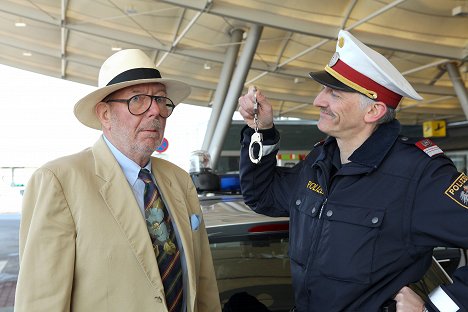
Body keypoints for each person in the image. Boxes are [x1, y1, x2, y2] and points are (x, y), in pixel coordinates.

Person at [238, 30, 468, 311]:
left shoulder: (419, 174)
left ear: (373, 111)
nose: (318, 101)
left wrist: (435, 309)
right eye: (324, 90)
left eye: (334, 93)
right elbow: (263, 196)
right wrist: (260, 131)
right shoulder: (320, 161)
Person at [15, 49, 221, 312]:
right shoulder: (59, 181)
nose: (155, 111)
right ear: (104, 114)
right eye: (138, 100)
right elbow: (41, 303)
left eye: (160, 99)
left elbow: (203, 285)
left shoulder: (179, 180)